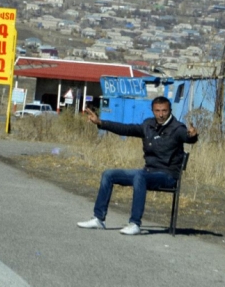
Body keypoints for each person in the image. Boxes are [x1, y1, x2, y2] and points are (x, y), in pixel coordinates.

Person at [77, 95, 198, 235]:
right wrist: (100, 122)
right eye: (157, 110)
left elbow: (187, 137)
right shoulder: (148, 125)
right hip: (148, 172)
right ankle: (98, 219)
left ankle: (135, 224)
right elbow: (126, 129)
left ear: (170, 110)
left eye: (164, 111)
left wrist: (192, 136)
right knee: (108, 174)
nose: (161, 114)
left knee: (140, 176)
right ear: (152, 110)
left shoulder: (177, 128)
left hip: (167, 175)